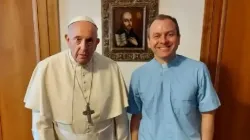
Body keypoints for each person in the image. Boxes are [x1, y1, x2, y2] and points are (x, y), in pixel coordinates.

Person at [24, 16, 129, 140]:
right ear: (68, 40)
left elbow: (120, 118)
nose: (83, 47)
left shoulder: (111, 67)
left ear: (97, 42)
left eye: (89, 41)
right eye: (78, 40)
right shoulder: (46, 68)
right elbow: (41, 123)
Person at [127, 14, 221, 140]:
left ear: (179, 38)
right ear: (149, 42)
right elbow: (136, 116)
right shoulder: (138, 75)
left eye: (170, 34)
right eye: (157, 36)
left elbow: (208, 113)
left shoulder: (198, 70)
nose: (163, 41)